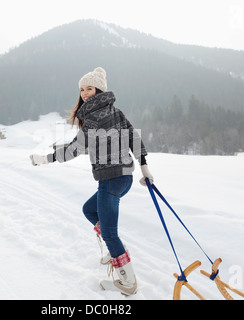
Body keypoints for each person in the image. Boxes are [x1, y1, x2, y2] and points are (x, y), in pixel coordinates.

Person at [30, 67, 154, 296]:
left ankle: (128, 282)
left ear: (99, 90)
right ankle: (117, 250)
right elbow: (133, 138)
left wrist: (46, 158)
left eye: (89, 88)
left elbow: (75, 149)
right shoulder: (114, 111)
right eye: (82, 89)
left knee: (109, 232)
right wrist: (143, 168)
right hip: (123, 178)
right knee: (89, 210)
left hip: (110, 179)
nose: (85, 93)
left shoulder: (94, 116)